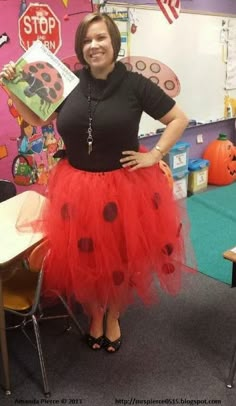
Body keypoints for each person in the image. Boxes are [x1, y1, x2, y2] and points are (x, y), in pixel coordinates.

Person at [0, 12, 196, 353]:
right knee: (84, 261)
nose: (94, 45)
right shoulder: (68, 83)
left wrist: (155, 154)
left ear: (114, 43)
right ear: (82, 46)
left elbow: (179, 118)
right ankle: (94, 314)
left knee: (120, 260)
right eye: (87, 40)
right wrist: (12, 88)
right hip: (76, 189)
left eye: (101, 38)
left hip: (125, 190)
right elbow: (36, 117)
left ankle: (114, 316)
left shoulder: (135, 84)